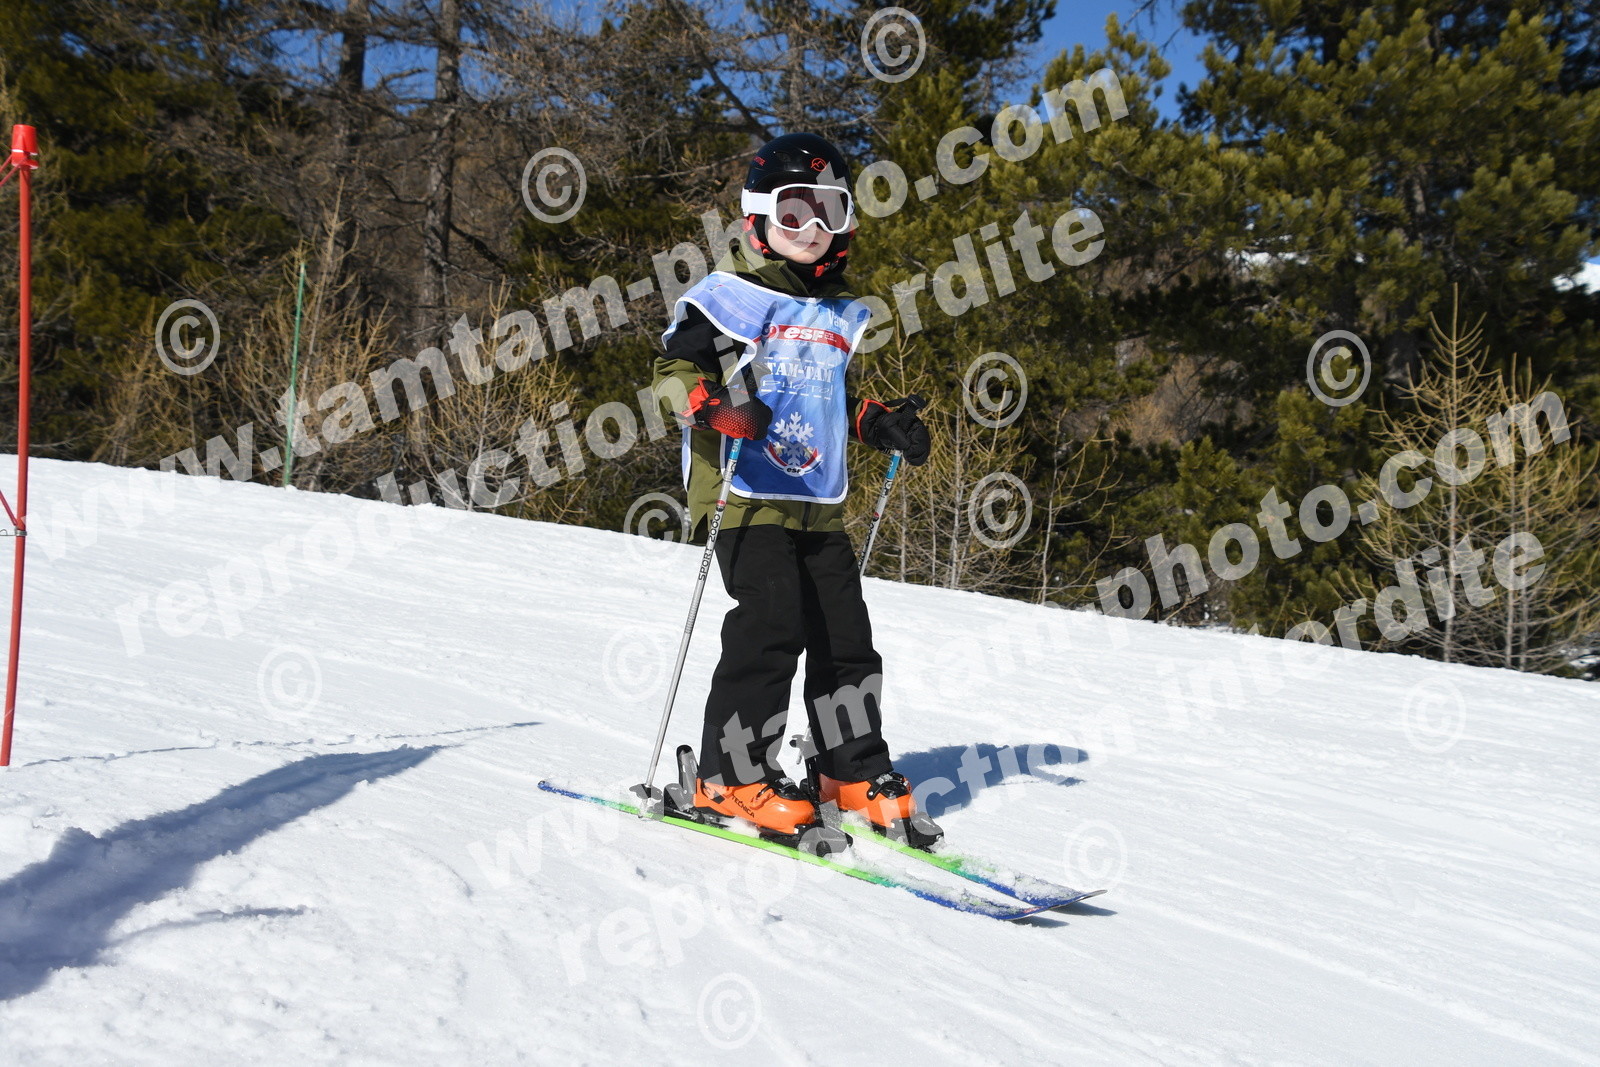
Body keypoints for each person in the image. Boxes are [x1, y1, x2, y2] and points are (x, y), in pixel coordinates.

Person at [652, 132, 942, 849]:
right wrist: (711, 405)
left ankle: (850, 770)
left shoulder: (837, 312)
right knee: (771, 624)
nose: (810, 228)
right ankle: (731, 776)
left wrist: (878, 423)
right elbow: (673, 375)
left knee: (846, 637)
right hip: (745, 497)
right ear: (757, 217)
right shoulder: (729, 299)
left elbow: (828, 400)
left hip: (818, 501)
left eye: (828, 211)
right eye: (793, 212)